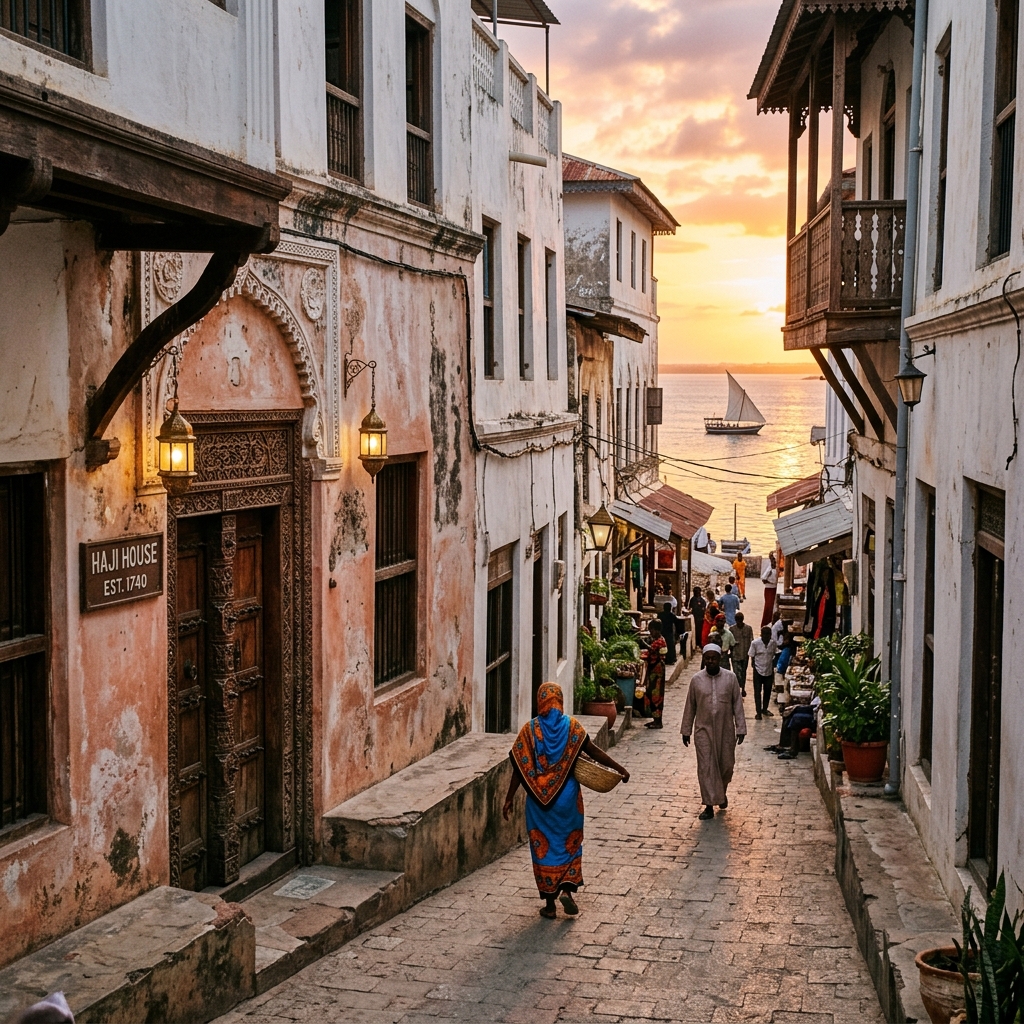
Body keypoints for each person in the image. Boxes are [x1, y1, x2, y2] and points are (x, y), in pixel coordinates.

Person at [503, 682, 629, 918]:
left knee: (543, 849)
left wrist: (509, 798)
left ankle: (550, 905)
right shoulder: (572, 727)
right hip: (568, 800)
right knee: (569, 844)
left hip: (538, 805)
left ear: (540, 702)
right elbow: (593, 751)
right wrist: (619, 768)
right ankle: (567, 892)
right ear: (560, 701)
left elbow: (519, 769)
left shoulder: (529, 731)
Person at [680, 644, 747, 820]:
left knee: (726, 765)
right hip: (704, 730)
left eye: (713, 658)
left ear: (719, 659)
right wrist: (686, 729)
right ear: (704, 659)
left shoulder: (731, 679)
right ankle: (709, 805)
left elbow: (737, 705)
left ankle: (721, 793)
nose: (710, 661)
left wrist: (741, 728)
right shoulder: (696, 680)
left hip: (726, 730)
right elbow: (690, 706)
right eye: (707, 658)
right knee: (706, 767)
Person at [641, 619, 667, 728]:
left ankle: (658, 721)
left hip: (657, 672)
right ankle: (655, 719)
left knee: (655, 696)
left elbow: (651, 651)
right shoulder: (659, 640)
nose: (650, 632)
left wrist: (643, 644)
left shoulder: (659, 642)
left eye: (651, 630)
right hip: (654, 671)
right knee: (651, 694)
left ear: (656, 630)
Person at [749, 626, 778, 721]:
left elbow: (774, 654)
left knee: (767, 691)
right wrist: (755, 667)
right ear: (761, 635)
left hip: (769, 671)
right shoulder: (755, 643)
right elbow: (752, 656)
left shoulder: (773, 644)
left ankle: (764, 709)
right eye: (764, 635)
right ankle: (758, 712)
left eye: (768, 635)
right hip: (758, 670)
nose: (766, 637)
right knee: (757, 692)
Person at [731, 611, 753, 697]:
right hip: (735, 655)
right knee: (736, 673)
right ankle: (737, 689)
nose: (739, 622)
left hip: (745, 655)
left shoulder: (748, 629)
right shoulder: (732, 629)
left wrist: (751, 656)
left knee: (743, 673)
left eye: (740, 620)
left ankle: (742, 688)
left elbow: (751, 641)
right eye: (738, 620)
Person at [760, 551, 778, 627]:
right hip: (769, 589)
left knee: (772, 607)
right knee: (768, 607)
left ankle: (770, 621)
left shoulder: (776, 569)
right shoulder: (770, 568)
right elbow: (763, 579)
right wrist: (771, 581)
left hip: (774, 589)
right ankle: (765, 623)